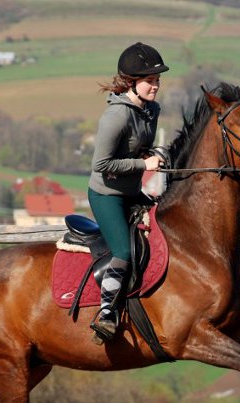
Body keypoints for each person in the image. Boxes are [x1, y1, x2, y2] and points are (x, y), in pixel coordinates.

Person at [87, 42, 169, 344]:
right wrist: (143, 163)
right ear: (131, 83)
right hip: (106, 195)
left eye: (158, 80)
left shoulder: (151, 110)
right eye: (150, 81)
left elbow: (143, 147)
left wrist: (159, 156)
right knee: (122, 251)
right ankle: (106, 312)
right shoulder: (116, 117)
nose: (156, 86)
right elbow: (102, 164)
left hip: (132, 191)